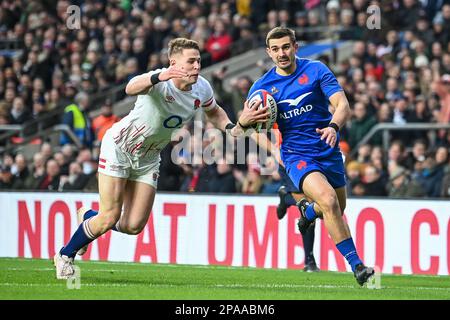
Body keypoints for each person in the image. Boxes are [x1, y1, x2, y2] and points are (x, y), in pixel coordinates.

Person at [53, 38, 269, 279]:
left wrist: (233, 128)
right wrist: (159, 76)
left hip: (149, 158)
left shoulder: (202, 87)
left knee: (133, 225)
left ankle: (89, 218)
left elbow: (214, 111)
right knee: (111, 215)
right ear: (174, 63)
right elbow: (130, 87)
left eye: (198, 61)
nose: (197, 66)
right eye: (191, 61)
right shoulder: (160, 80)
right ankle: (65, 255)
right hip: (120, 148)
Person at [248, 27, 374, 286]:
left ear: (295, 46)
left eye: (286, 47)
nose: (282, 53)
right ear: (268, 52)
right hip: (296, 155)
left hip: (328, 149)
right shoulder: (262, 87)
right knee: (328, 201)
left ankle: (305, 211)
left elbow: (342, 104)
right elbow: (246, 126)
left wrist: (333, 127)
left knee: (337, 207)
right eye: (276, 49)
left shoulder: (316, 70)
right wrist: (273, 149)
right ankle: (358, 266)